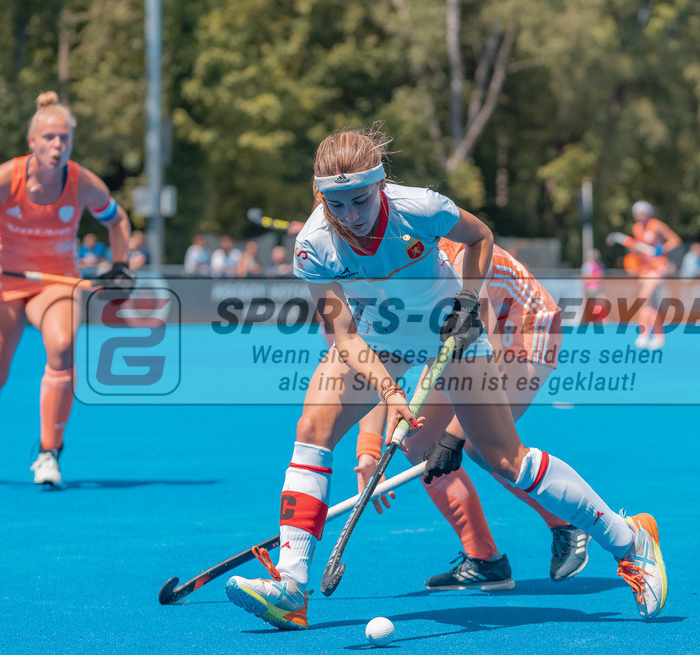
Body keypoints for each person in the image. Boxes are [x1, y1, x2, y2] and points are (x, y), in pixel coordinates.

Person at [224, 127, 667, 629]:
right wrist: (385, 402)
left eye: (360, 200)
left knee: (505, 459)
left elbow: (480, 237)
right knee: (313, 429)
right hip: (379, 340)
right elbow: (345, 338)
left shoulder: (421, 208)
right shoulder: (313, 245)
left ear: (381, 185)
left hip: (452, 335)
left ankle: (630, 542)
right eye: (336, 204)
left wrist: (468, 302)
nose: (350, 217)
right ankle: (290, 587)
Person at [352, 236, 590, 590]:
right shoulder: (375, 278)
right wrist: (369, 450)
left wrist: (456, 435)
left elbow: (484, 355)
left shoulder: (453, 265)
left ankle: (566, 522)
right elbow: (376, 367)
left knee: (484, 443)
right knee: (418, 443)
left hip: (524, 328)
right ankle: (484, 559)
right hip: (461, 345)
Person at [0, 91, 132, 487]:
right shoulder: (3, 179)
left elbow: (117, 221)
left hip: (56, 282)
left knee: (63, 348)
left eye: (64, 139)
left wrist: (120, 265)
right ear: (32, 141)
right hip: (5, 282)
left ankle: (49, 453)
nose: (57, 146)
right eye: (50, 138)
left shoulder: (82, 183)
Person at [628, 200, 681, 349]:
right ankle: (657, 336)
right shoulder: (636, 228)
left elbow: (675, 240)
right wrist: (635, 250)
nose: (640, 216)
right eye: (638, 213)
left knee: (644, 298)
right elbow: (640, 250)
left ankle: (645, 335)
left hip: (658, 267)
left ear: (649, 213)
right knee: (650, 304)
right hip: (646, 269)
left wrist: (661, 249)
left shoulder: (656, 225)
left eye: (643, 213)